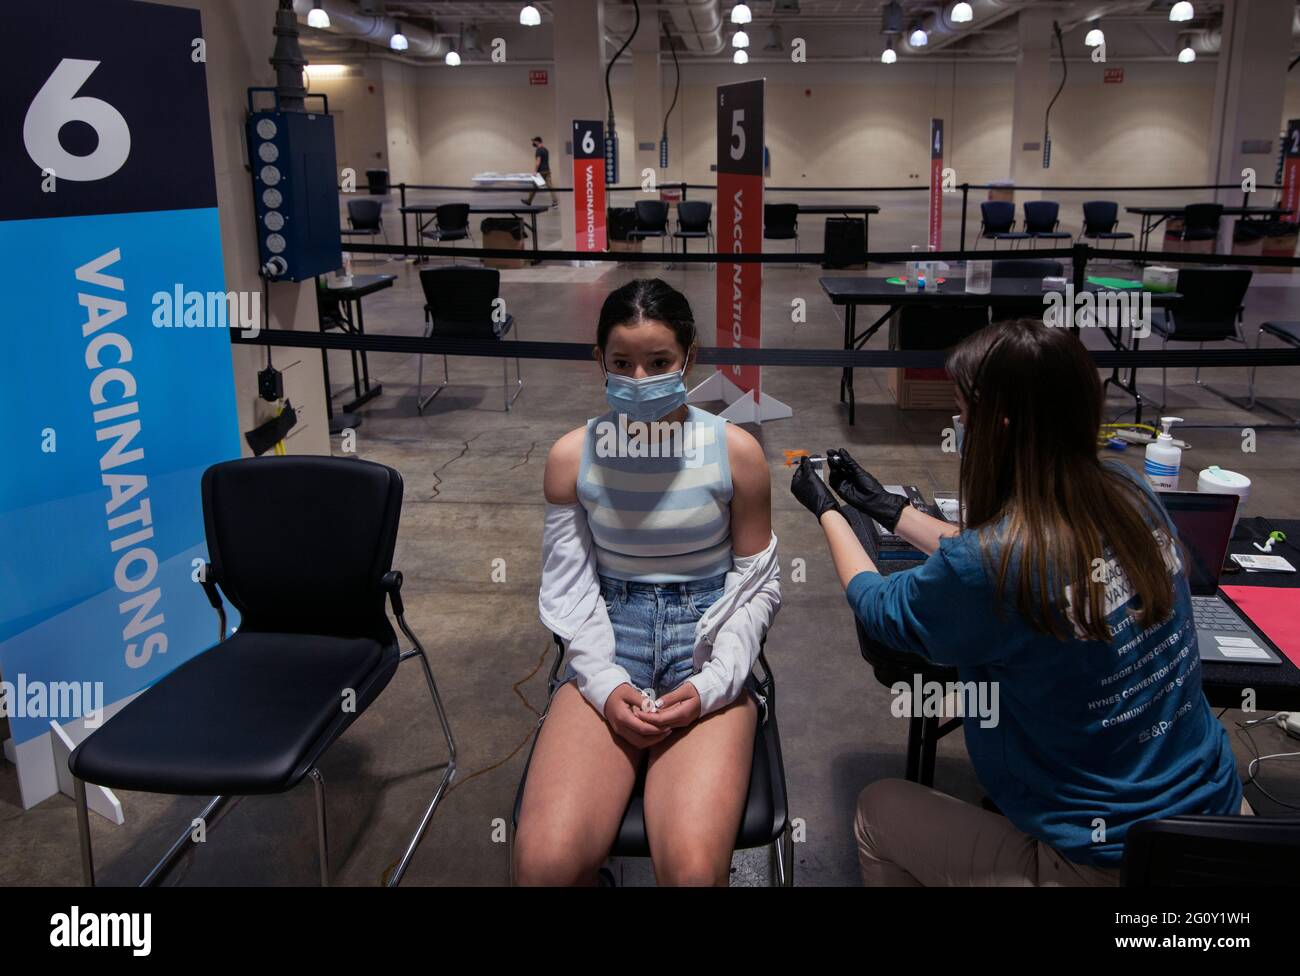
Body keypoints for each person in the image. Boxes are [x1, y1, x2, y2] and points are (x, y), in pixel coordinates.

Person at [789, 316, 1247, 887]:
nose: (958, 424)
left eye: (962, 410)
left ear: (995, 426)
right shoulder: (1131, 491)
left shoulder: (992, 563)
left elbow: (881, 606)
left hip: (1102, 865)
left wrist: (830, 511)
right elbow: (1021, 556)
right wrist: (892, 511)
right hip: (1220, 828)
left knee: (876, 812)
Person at [515, 278, 780, 886]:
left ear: (690, 357)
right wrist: (605, 683)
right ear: (599, 363)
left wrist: (717, 682)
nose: (640, 380)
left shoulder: (735, 453)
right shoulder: (570, 457)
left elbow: (757, 583)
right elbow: (569, 589)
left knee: (691, 871)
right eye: (622, 363)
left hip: (707, 648)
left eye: (659, 363)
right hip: (610, 643)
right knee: (543, 866)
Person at [522, 135, 559, 210]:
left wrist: (535, 171)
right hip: (547, 171)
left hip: (541, 172)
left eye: (533, 142)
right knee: (550, 187)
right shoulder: (546, 150)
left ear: (537, 141)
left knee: (534, 186)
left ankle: (529, 201)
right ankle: (555, 202)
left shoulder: (539, 150)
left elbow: (538, 162)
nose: (533, 143)